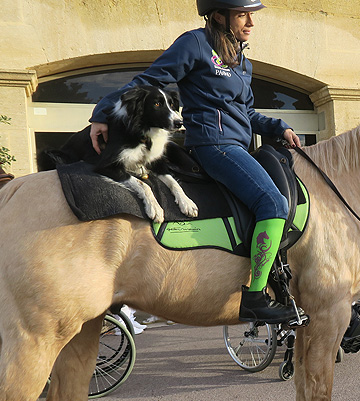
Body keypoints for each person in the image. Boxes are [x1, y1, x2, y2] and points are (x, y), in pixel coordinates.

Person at [89, 0, 302, 324]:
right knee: (273, 203)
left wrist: (278, 127)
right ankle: (255, 297)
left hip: (239, 146)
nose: (250, 22)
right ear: (219, 15)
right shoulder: (195, 44)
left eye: (251, 15)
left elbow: (246, 112)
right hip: (213, 145)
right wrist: (103, 112)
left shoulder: (242, 61)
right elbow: (149, 81)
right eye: (243, 14)